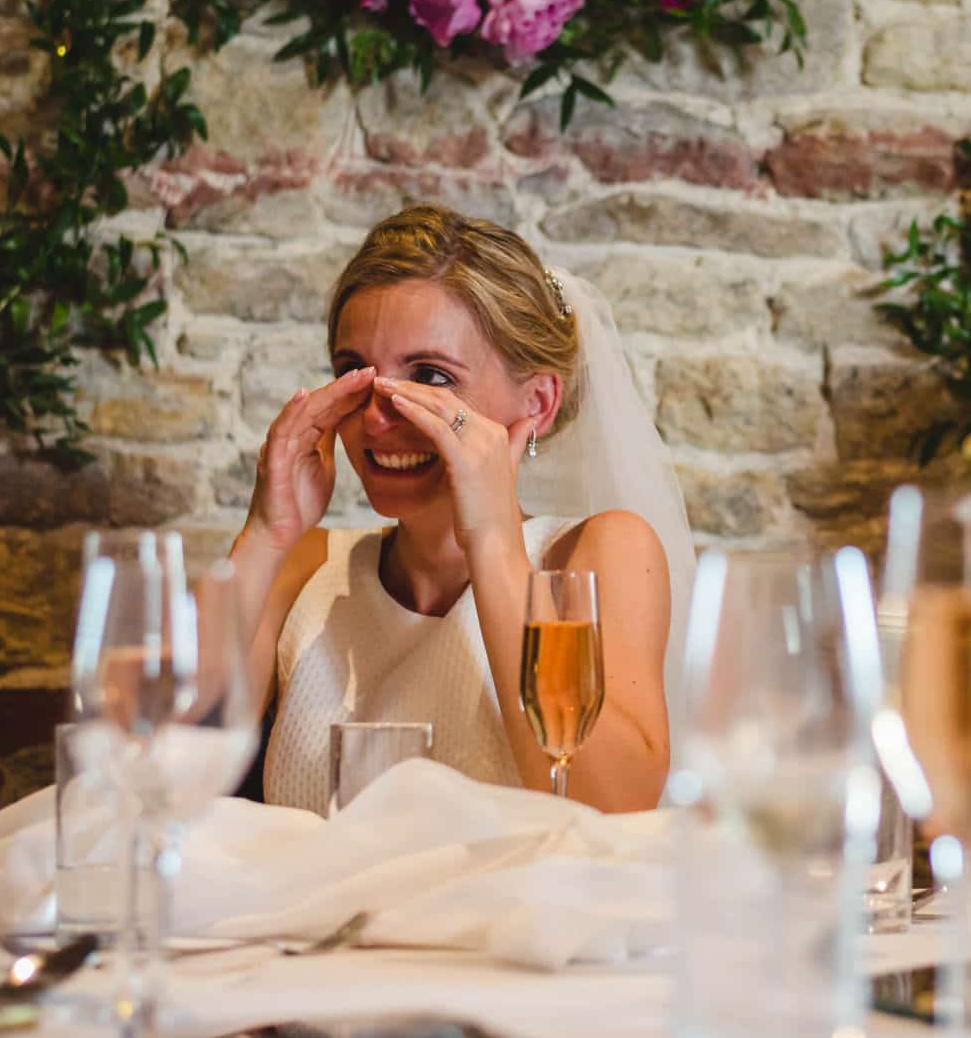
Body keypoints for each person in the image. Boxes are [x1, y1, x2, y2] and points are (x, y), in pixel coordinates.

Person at [226, 205, 694, 816]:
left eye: (430, 377)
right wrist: (264, 534)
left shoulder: (598, 555)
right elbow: (159, 775)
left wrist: (494, 541)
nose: (376, 417)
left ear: (539, 403)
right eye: (354, 374)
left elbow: (612, 804)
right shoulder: (305, 566)